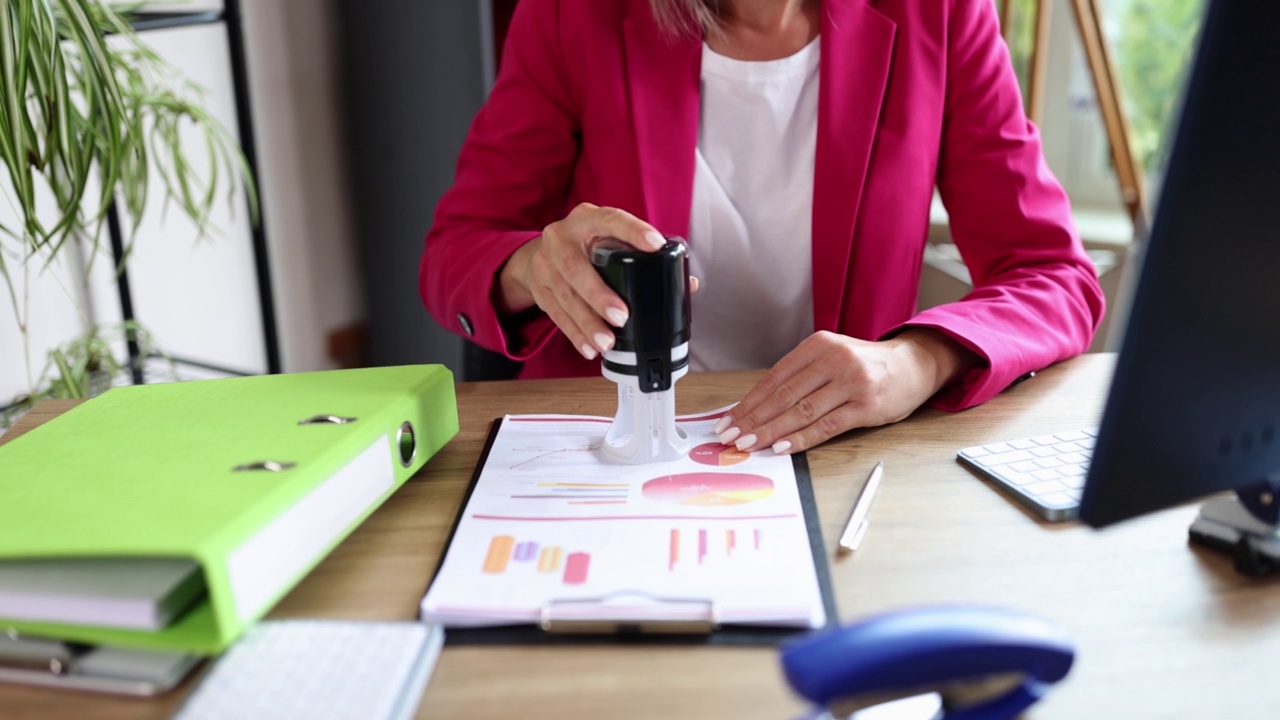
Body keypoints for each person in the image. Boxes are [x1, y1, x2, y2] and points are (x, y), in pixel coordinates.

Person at [419, 0, 1105, 456]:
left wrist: (917, 360)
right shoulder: (573, 13)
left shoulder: (944, 13)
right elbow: (455, 250)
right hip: (604, 446)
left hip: (836, 451)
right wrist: (532, 265)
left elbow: (1053, 276)